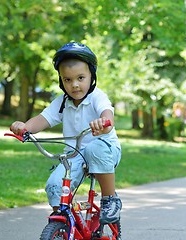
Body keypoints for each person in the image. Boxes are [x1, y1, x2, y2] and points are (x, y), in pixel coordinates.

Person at [9, 42, 122, 223]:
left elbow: (107, 114)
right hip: (74, 154)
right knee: (54, 185)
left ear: (91, 76)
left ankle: (110, 200)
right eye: (67, 80)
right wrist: (25, 127)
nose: (74, 85)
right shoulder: (62, 102)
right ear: (61, 80)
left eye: (80, 78)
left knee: (94, 149)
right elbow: (43, 119)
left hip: (105, 150)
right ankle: (63, 224)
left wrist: (104, 122)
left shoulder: (96, 97)